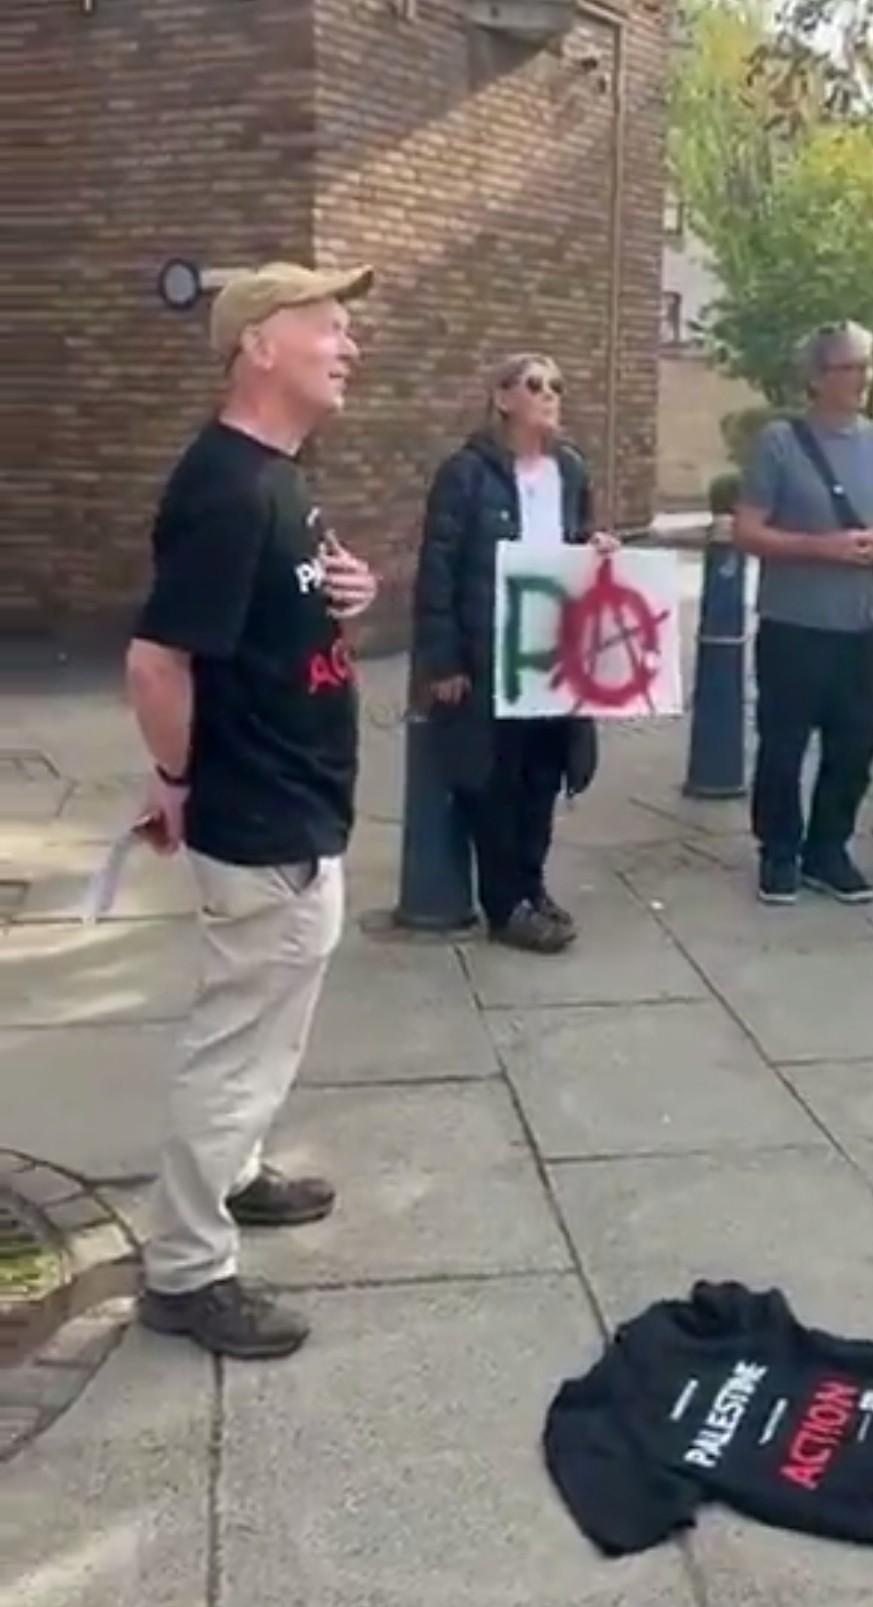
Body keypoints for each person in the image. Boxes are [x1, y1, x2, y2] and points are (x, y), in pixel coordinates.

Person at [125, 261, 379, 1359]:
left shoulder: (277, 477)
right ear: (258, 345)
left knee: (266, 1032)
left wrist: (351, 590)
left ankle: (234, 1171)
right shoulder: (229, 489)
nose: (349, 344)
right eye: (329, 325)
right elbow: (156, 661)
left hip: (296, 799)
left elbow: (274, 611)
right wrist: (177, 781)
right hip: (261, 811)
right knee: (235, 1048)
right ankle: (187, 1270)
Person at [412, 353, 615, 954]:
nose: (549, 394)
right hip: (490, 652)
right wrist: (444, 660)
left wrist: (595, 549)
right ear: (502, 399)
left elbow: (573, 544)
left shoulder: (569, 470)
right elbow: (439, 567)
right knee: (497, 780)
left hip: (553, 654)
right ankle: (504, 906)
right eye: (534, 384)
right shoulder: (466, 475)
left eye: (557, 385)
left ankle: (533, 885)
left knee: (544, 776)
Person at [734, 321, 873, 906]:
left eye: (867, 365)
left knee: (855, 745)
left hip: (862, 622)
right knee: (784, 744)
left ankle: (829, 849)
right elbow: (748, 530)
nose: (862, 378)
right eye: (849, 367)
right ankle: (779, 851)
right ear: (817, 377)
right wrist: (822, 548)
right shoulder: (780, 443)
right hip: (795, 622)